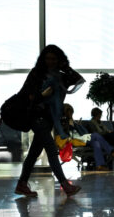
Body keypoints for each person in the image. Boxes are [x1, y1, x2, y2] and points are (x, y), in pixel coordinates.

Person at [15, 45, 81, 197]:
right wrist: (42, 94)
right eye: (48, 58)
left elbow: (78, 79)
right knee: (51, 150)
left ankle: (22, 184)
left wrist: (66, 66)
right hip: (37, 117)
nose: (50, 61)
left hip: (49, 118)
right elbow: (26, 95)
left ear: (59, 60)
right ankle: (65, 185)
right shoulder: (37, 74)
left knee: (34, 153)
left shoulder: (60, 75)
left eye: (54, 59)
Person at [62, 104, 114, 172]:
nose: (71, 114)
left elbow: (84, 132)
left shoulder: (72, 121)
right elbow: (65, 133)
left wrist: (78, 125)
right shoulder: (63, 121)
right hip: (74, 140)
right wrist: (70, 126)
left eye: (71, 113)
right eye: (70, 113)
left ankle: (100, 166)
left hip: (81, 139)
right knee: (96, 135)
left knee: (96, 143)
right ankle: (111, 151)